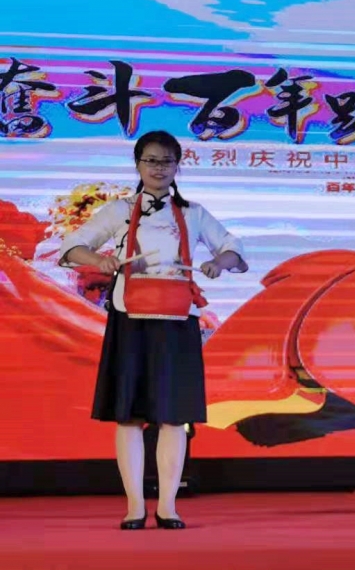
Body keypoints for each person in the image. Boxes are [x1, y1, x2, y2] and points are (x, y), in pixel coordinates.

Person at [59, 131, 247, 530]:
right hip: (130, 319)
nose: (158, 168)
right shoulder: (120, 210)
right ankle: (134, 506)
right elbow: (72, 247)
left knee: (173, 418)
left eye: (166, 161)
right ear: (138, 164)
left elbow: (233, 249)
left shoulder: (193, 213)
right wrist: (102, 261)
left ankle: (168, 506)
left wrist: (219, 263)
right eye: (151, 160)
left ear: (178, 166)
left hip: (177, 322)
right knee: (129, 417)